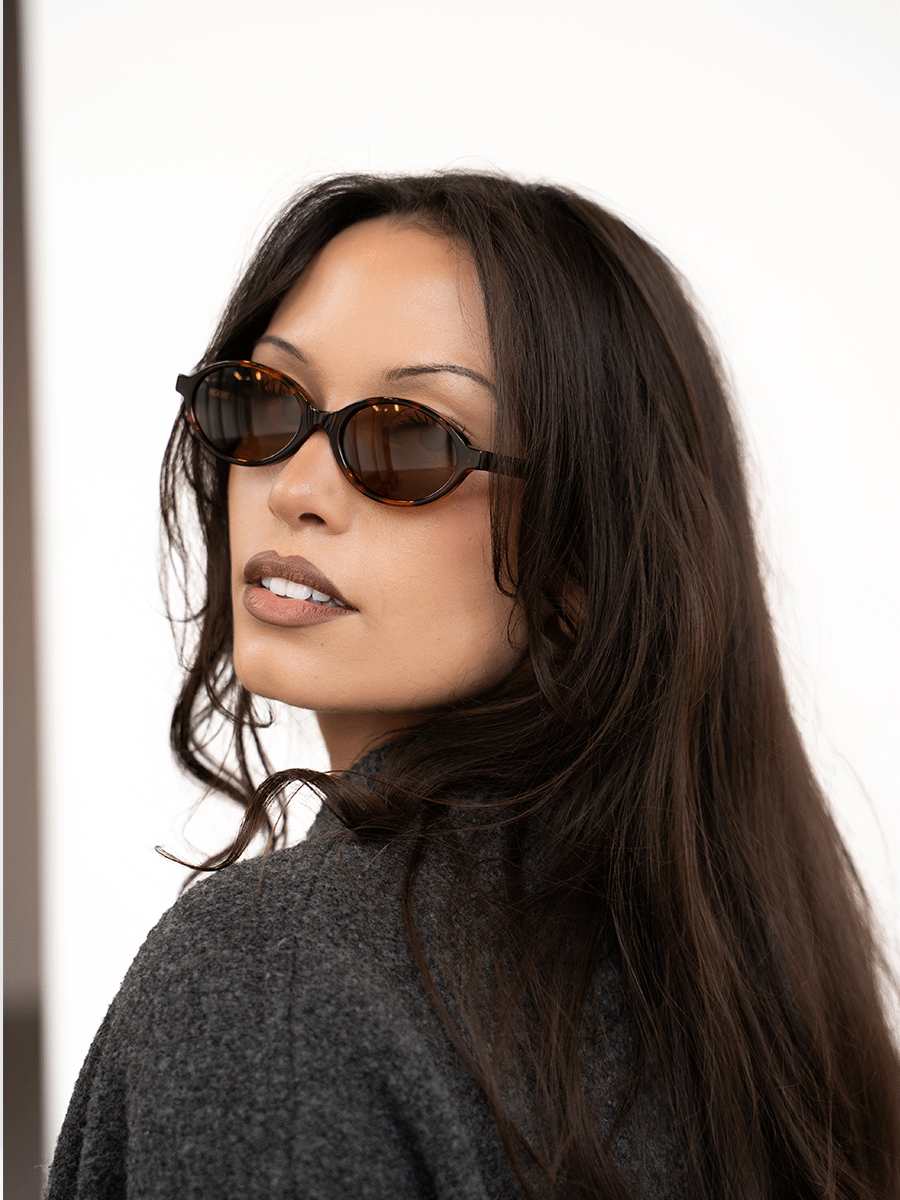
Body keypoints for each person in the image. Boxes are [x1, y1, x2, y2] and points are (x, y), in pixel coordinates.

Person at [45, 173, 900, 1199]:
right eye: (265, 402)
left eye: (408, 439)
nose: (296, 489)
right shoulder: (746, 1010)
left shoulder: (278, 975)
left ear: (583, 560)